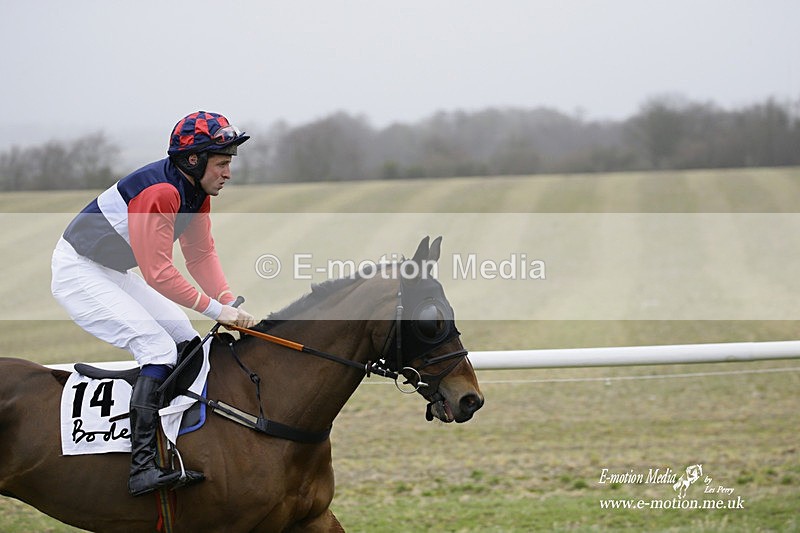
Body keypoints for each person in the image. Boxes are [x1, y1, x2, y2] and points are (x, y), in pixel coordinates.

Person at [51, 111, 257, 496]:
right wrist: (216, 310)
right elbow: (158, 273)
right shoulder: (162, 192)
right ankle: (141, 467)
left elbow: (200, 256)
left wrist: (228, 302)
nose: (229, 172)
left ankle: (176, 443)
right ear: (193, 160)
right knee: (157, 347)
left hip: (111, 271)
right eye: (223, 163)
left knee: (185, 340)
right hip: (79, 271)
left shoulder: (196, 193)